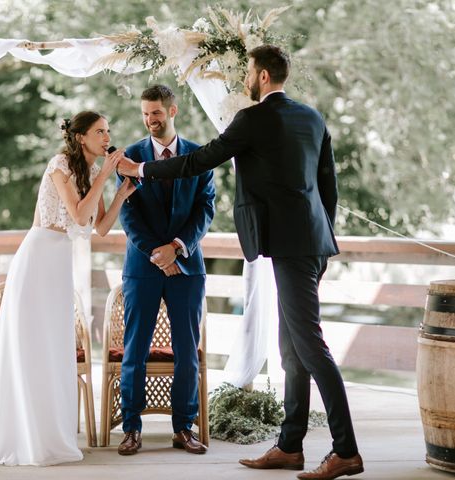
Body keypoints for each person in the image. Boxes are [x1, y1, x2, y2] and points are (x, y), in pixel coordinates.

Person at [116, 46, 363, 480]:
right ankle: (290, 446)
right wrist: (322, 238)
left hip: (290, 246)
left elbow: (198, 160)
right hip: (313, 244)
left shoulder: (253, 118)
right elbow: (329, 186)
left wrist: (141, 172)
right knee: (291, 351)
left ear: (264, 76)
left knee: (310, 347)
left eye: (249, 71)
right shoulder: (312, 117)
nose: (247, 79)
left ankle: (345, 450)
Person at [0, 111, 135, 466]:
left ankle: (49, 433)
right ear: (81, 138)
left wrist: (119, 192)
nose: (107, 138)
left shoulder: (92, 174)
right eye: (100, 132)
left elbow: (99, 227)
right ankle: (22, 435)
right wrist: (105, 174)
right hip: (37, 258)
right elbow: (76, 214)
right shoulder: (60, 165)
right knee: (29, 344)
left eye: (109, 131)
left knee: (53, 345)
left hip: (59, 265)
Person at [116, 85, 215, 456]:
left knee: (187, 351)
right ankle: (131, 428)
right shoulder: (130, 158)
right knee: (134, 351)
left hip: (187, 267)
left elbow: (205, 209)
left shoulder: (198, 156)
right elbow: (127, 214)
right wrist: (156, 254)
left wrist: (176, 249)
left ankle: (184, 428)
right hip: (142, 268)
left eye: (156, 112)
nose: (150, 119)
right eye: (145, 113)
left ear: (173, 111)